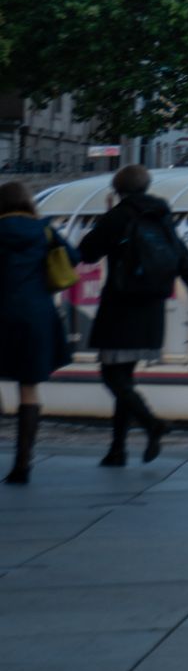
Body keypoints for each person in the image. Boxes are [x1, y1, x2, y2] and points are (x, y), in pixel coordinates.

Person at [73, 166, 188, 465]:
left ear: (117, 189)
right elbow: (183, 260)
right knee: (124, 378)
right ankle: (117, 450)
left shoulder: (119, 216)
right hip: (151, 308)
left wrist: (105, 219)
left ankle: (152, 423)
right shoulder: (161, 217)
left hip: (121, 306)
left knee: (112, 376)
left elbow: (87, 252)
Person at [2, 180, 76, 484]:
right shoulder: (44, 231)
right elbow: (73, 258)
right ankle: (23, 465)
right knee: (28, 388)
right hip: (36, 315)